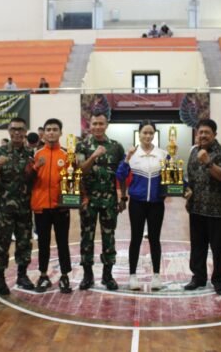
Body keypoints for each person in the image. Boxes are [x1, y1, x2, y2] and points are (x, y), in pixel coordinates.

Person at [76, 111, 126, 291]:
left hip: (110, 200)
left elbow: (122, 174)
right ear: (90, 125)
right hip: (88, 200)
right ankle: (87, 275)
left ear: (107, 125)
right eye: (94, 124)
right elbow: (80, 171)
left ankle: (107, 275)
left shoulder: (116, 147)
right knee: (86, 237)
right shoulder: (82, 146)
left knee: (109, 237)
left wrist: (123, 197)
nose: (97, 127)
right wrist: (94, 156)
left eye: (101, 124)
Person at [117, 120, 168, 291]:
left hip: (156, 204)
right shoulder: (132, 154)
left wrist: (185, 189)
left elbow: (174, 176)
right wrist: (127, 158)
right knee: (136, 238)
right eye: (144, 132)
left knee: (155, 239)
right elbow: (120, 175)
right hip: (137, 203)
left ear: (154, 135)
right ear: (139, 134)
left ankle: (156, 276)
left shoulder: (163, 154)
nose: (147, 136)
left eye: (151, 133)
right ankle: (132, 276)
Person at [184, 119, 221, 295]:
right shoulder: (194, 152)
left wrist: (208, 161)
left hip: (217, 210)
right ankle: (198, 277)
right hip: (196, 208)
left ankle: (219, 281)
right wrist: (187, 193)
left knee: (218, 248)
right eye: (200, 132)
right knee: (197, 247)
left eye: (207, 132)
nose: (203, 135)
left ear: (214, 134)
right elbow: (190, 178)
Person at [0, 117, 36, 295]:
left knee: (24, 243)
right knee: (2, 243)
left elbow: (34, 179)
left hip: (24, 206)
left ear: (25, 132)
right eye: (14, 129)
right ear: (9, 131)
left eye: (20, 129)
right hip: (4, 208)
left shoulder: (30, 154)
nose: (17, 132)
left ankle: (22, 275)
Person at [31, 118, 72, 294]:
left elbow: (72, 181)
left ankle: (64, 276)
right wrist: (35, 167)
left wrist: (71, 200)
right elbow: (29, 178)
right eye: (48, 129)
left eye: (55, 129)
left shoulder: (67, 155)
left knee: (63, 242)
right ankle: (43, 275)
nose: (51, 132)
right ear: (43, 133)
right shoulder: (36, 154)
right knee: (43, 243)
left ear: (60, 133)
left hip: (61, 207)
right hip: (41, 207)